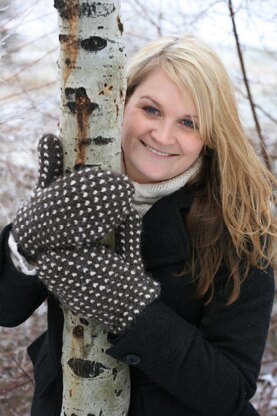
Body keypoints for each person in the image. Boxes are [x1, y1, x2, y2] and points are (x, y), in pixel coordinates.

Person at [0, 35, 276, 416]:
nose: (163, 135)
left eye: (188, 122)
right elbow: (6, 308)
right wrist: (25, 239)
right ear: (121, 103)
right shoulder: (79, 184)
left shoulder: (241, 229)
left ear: (210, 136)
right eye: (151, 109)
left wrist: (134, 311)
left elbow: (230, 389)